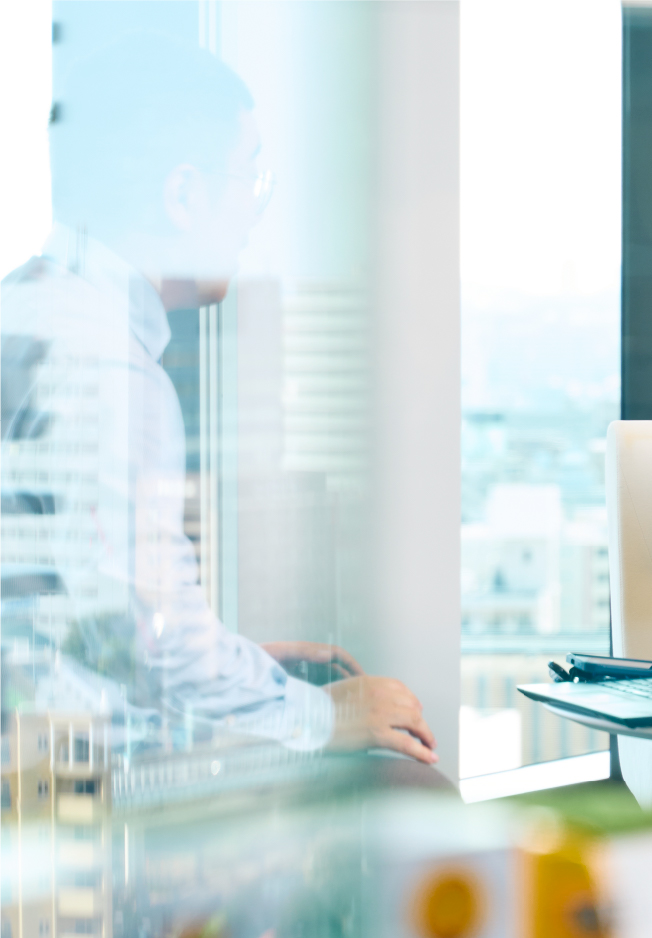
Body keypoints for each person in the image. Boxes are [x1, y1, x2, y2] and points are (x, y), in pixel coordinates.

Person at [0, 34, 437, 764]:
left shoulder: (27, 308)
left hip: (33, 752)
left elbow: (79, 618)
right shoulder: (107, 367)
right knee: (402, 771)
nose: (255, 212)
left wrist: (236, 664)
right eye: (250, 178)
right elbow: (155, 650)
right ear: (183, 194)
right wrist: (316, 714)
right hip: (48, 788)